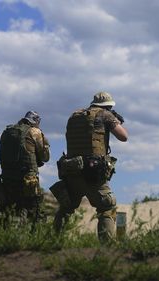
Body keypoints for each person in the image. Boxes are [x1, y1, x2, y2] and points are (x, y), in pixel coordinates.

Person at [51, 91, 128, 243]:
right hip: (92, 172)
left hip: (71, 169)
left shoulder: (75, 116)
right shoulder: (105, 115)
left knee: (66, 208)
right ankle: (107, 248)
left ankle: (53, 243)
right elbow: (123, 136)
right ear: (108, 106)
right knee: (107, 207)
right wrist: (114, 121)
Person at [0, 111, 50, 228]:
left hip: (8, 177)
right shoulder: (34, 131)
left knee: (9, 210)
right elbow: (45, 157)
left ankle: (4, 237)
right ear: (35, 120)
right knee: (35, 210)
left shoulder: (7, 132)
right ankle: (35, 239)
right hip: (28, 179)